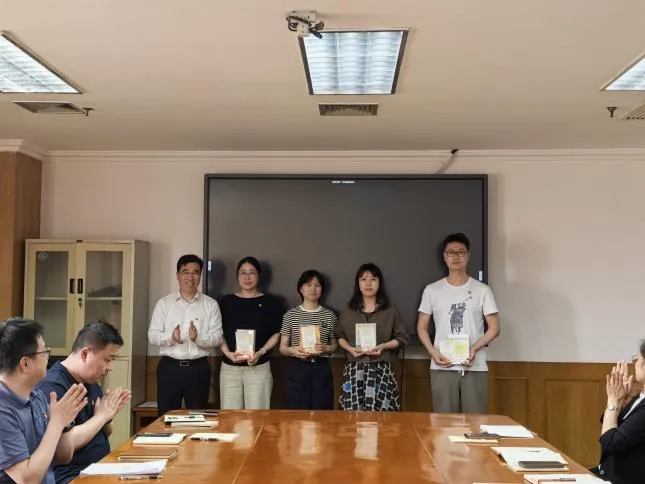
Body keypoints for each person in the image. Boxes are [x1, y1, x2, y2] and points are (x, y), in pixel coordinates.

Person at [36, 321, 131, 483]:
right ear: (85, 354)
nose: (110, 367)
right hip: (70, 475)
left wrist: (109, 415)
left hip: (101, 467)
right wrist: (101, 417)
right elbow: (61, 445)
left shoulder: (90, 380)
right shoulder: (53, 386)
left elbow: (104, 432)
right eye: (108, 360)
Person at [417, 233, 500, 414]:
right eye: (451, 252)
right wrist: (433, 352)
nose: (455, 256)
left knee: (475, 422)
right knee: (443, 423)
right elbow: (421, 327)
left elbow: (494, 328)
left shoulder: (482, 290)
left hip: (474, 365)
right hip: (442, 364)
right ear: (444, 257)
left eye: (460, 252)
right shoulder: (432, 290)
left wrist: (473, 349)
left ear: (468, 256)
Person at [0, 318, 87, 484]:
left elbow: (64, 456)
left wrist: (65, 423)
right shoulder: (2, 409)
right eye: (44, 351)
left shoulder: (36, 395)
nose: (48, 356)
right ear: (25, 364)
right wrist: (56, 423)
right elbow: (26, 480)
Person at [148, 254, 223, 416]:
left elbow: (218, 337)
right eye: (185, 272)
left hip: (198, 368)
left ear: (200, 276)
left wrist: (198, 338)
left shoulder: (210, 304)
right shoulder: (164, 304)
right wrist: (171, 338)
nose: (190, 277)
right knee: (166, 418)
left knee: (198, 417)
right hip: (170, 368)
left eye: (195, 272)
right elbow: (152, 336)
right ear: (177, 275)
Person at [336, 263, 409, 411]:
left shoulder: (390, 310)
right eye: (364, 279)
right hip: (355, 369)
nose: (368, 283)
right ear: (358, 283)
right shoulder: (348, 310)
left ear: (379, 282)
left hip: (381, 369)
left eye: (373, 279)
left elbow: (402, 337)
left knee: (382, 417)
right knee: (353, 416)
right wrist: (349, 348)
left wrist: (384, 346)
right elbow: (339, 335)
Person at [219, 256, 284, 409]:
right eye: (243, 273)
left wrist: (261, 352)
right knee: (230, 417)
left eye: (252, 272)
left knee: (257, 416)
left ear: (259, 276)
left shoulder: (271, 302)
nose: (247, 277)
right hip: (230, 369)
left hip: (258, 367)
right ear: (237, 276)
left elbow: (277, 332)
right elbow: (217, 332)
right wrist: (227, 353)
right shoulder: (226, 302)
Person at [279, 270, 338, 410]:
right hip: (298, 367)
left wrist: (326, 348)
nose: (313, 288)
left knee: (322, 411)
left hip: (321, 367)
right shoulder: (290, 315)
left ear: (322, 290)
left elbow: (335, 345)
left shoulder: (329, 315)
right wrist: (294, 351)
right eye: (308, 284)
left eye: (317, 285)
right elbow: (282, 347)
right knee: (296, 412)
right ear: (301, 289)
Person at [592, 344, 645, 484]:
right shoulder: (640, 396)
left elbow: (610, 443)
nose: (634, 362)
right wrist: (618, 400)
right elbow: (610, 423)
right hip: (607, 473)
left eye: (638, 358)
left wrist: (613, 401)